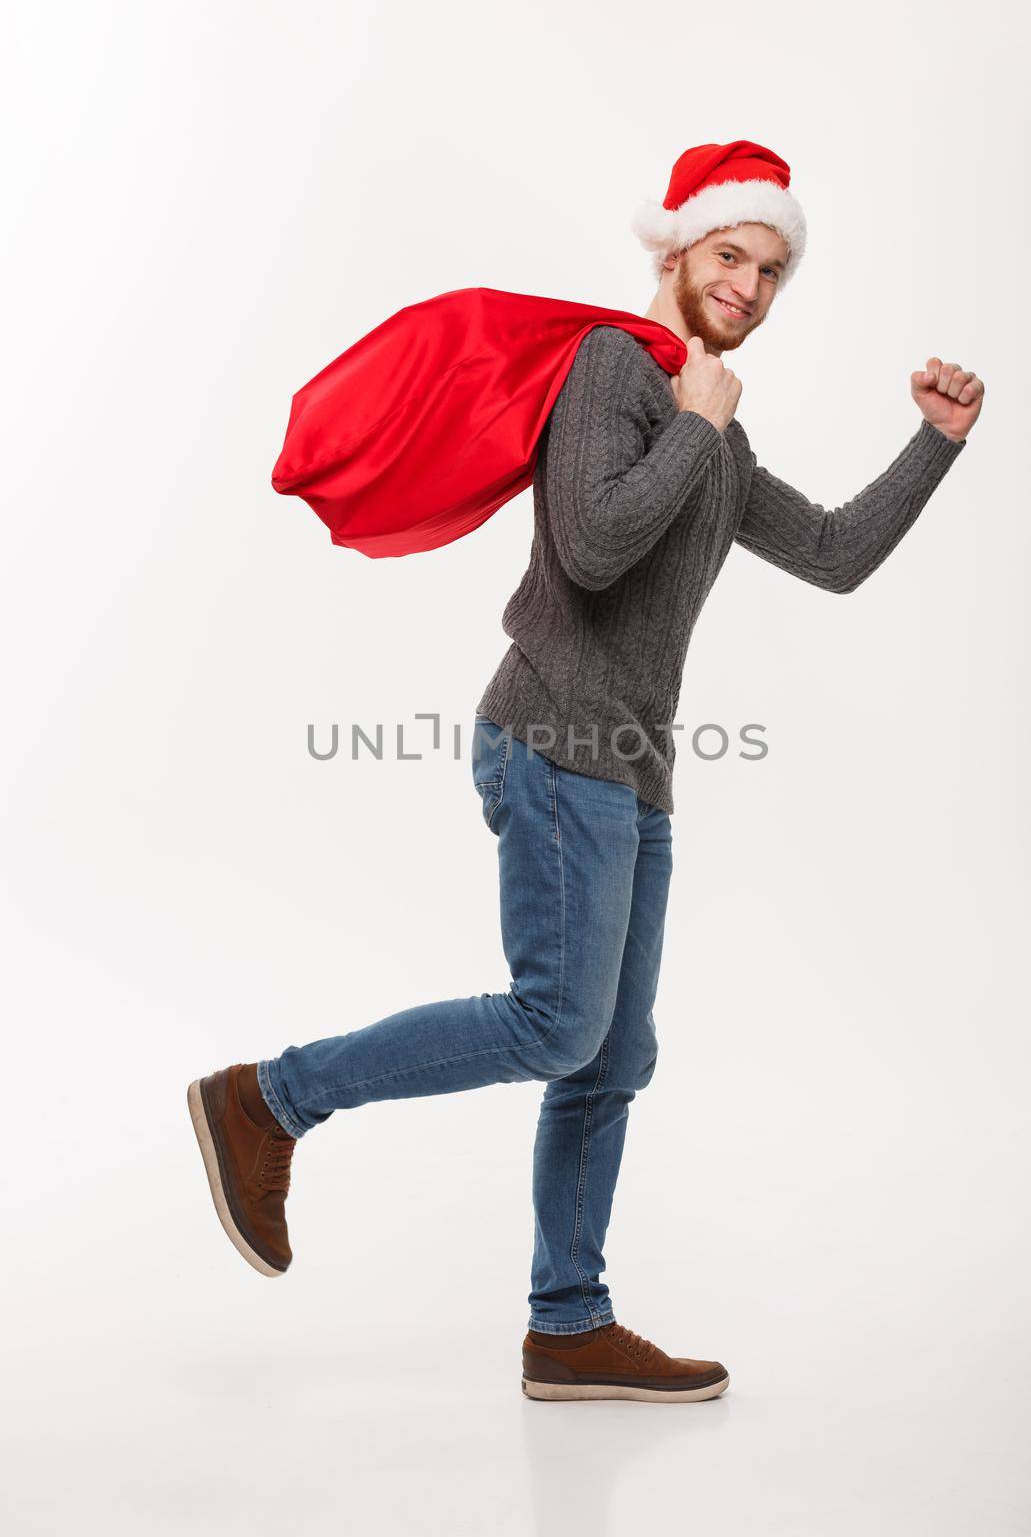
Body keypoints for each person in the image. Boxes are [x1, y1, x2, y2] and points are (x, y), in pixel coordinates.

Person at [187, 139, 984, 1404]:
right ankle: (268, 1099)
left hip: (632, 769)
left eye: (771, 270)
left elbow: (831, 554)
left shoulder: (710, 424)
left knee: (610, 1053)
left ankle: (567, 1323)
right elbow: (600, 545)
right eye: (731, 255)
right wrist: (694, 423)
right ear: (675, 251)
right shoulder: (612, 368)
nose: (750, 287)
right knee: (557, 1022)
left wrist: (933, 442)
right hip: (552, 736)